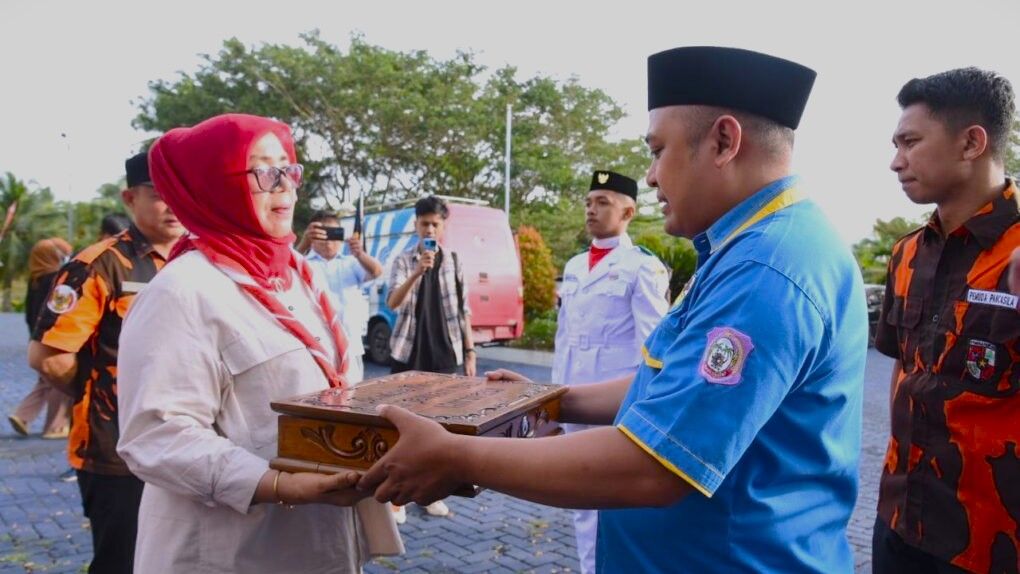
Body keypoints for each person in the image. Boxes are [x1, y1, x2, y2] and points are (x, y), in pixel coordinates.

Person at [358, 46, 868, 573]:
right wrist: (553, 400)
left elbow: (652, 467)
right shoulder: (749, 248)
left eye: (657, 149)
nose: (649, 177)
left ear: (723, 141)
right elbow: (675, 384)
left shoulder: (768, 268)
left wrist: (455, 455)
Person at [115, 113, 401, 572]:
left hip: (318, 536)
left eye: (289, 169)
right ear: (214, 185)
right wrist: (277, 484)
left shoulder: (299, 278)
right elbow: (156, 435)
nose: (284, 185)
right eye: (264, 171)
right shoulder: (181, 292)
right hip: (230, 551)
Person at [873, 67, 1019, 574]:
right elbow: (901, 370)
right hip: (899, 523)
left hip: (995, 543)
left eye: (910, 142)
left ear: (972, 142)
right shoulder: (907, 254)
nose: (896, 162)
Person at [27, 151, 183, 573]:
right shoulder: (99, 265)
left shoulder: (203, 260)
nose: (172, 204)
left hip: (191, 443)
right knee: (123, 562)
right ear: (130, 198)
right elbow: (48, 356)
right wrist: (105, 395)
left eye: (180, 191)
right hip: (116, 452)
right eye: (158, 193)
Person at [554, 169, 669, 573]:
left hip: (615, 404)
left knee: (616, 505)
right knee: (582, 505)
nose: (592, 209)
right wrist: (551, 400)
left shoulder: (642, 268)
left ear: (629, 211)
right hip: (572, 398)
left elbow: (656, 345)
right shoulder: (572, 267)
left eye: (603, 202)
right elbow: (564, 338)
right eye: (589, 202)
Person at [384, 194, 475, 521]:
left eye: (436, 224)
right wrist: (417, 273)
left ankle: (429, 494)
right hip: (408, 350)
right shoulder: (404, 260)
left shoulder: (453, 259)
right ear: (416, 224)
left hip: (444, 350)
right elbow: (392, 303)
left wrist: (469, 350)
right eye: (425, 224)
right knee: (402, 428)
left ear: (444, 226)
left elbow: (464, 309)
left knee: (437, 427)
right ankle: (397, 499)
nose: (430, 229)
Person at [299, 209, 383, 385]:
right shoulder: (302, 262)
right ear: (312, 235)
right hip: (317, 347)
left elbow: (376, 271)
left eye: (334, 233)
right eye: (323, 233)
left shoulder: (351, 262)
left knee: (353, 398)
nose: (329, 240)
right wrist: (303, 243)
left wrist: (360, 253)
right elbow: (282, 270)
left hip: (351, 345)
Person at [8, 238, 73, 439]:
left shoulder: (34, 280)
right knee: (59, 381)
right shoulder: (57, 278)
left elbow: (29, 314)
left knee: (44, 381)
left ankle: (23, 415)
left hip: (36, 338)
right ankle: (55, 426)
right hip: (54, 337)